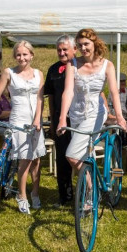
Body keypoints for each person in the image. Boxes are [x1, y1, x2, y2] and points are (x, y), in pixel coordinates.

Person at [0, 40, 46, 214]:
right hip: (18, 118)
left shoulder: (39, 74)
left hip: (35, 119)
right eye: (18, 54)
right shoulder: (8, 72)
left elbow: (40, 99)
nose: (22, 57)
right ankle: (22, 194)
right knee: (24, 159)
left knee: (36, 160)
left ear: (31, 55)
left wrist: (37, 119)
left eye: (25, 54)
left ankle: (35, 192)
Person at [58, 28, 127, 177]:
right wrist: (62, 117)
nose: (83, 48)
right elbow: (68, 91)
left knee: (71, 155)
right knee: (83, 155)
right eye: (80, 45)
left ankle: (90, 185)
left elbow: (114, 92)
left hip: (96, 114)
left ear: (95, 43)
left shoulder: (107, 65)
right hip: (76, 113)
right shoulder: (73, 64)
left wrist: (119, 116)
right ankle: (91, 193)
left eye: (86, 44)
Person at [44, 35, 77, 207]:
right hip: (59, 120)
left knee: (79, 158)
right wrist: (52, 120)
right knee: (62, 158)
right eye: (59, 50)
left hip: (78, 118)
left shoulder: (81, 66)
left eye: (65, 49)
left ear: (74, 50)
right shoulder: (53, 70)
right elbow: (50, 96)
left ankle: (85, 193)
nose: (62, 53)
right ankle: (65, 196)